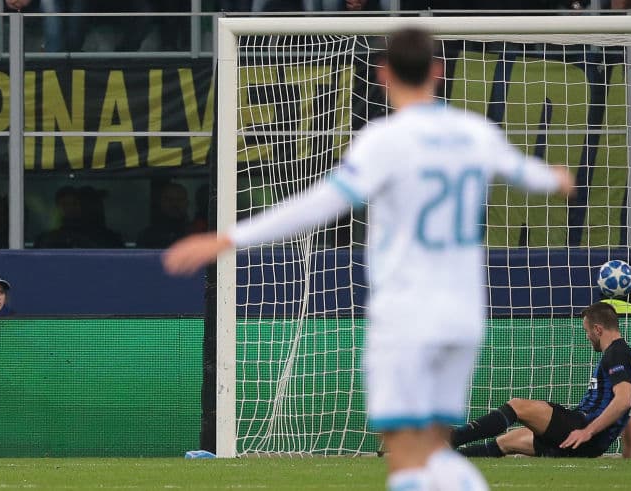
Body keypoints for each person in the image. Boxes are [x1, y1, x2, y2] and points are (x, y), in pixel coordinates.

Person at [163, 27, 574, 491]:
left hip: (406, 311)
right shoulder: (475, 132)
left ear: (383, 74)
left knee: (405, 457)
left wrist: (231, 237)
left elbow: (320, 203)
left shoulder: (386, 140)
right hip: (461, 314)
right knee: (433, 451)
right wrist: (556, 179)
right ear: (438, 72)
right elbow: (530, 174)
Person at [452, 302, 631, 459]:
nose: (587, 336)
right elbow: (626, 411)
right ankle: (447, 458)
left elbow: (623, 401)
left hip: (582, 429)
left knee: (518, 406)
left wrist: (587, 431)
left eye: (587, 331)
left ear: (598, 329)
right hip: (587, 441)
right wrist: (627, 455)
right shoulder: (626, 356)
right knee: (507, 441)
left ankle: (453, 438)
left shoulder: (616, 353)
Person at [137, 181, 191, 248]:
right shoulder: (147, 235)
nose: (174, 204)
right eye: (169, 200)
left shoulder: (196, 233)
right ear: (160, 203)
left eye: (179, 200)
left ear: (187, 203)